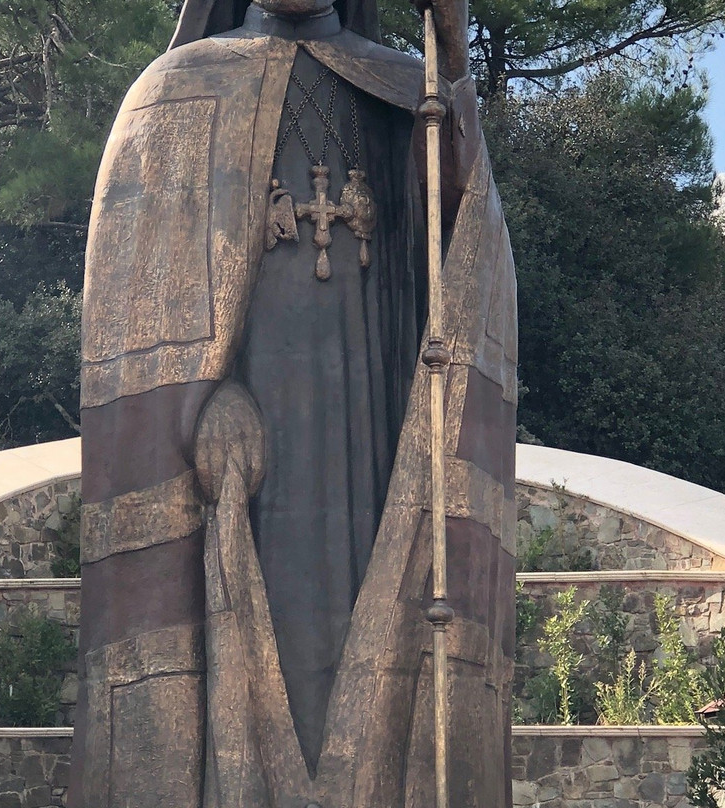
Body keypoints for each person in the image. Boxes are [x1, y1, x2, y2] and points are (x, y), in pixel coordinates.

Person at [71, 1, 517, 805]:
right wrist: (196, 409)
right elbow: (129, 308)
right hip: (249, 463)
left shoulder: (402, 89)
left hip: (381, 443)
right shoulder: (173, 90)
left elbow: (467, 251)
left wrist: (451, 64)